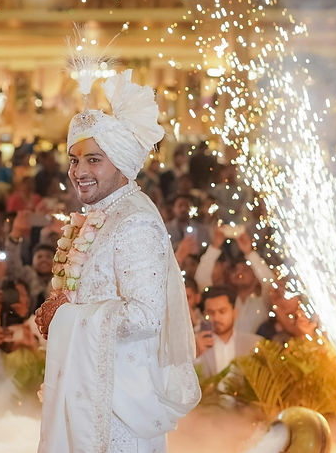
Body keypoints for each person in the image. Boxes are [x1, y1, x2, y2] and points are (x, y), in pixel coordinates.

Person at [34, 68, 200, 452]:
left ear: (122, 163)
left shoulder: (135, 221)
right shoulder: (102, 214)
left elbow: (145, 316)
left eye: (94, 160)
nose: (79, 172)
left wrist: (67, 317)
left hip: (118, 405)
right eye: (75, 160)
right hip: (91, 391)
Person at [194, 285, 262, 378]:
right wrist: (195, 353)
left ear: (235, 313)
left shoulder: (254, 344)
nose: (216, 318)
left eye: (222, 311)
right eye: (210, 312)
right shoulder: (195, 345)